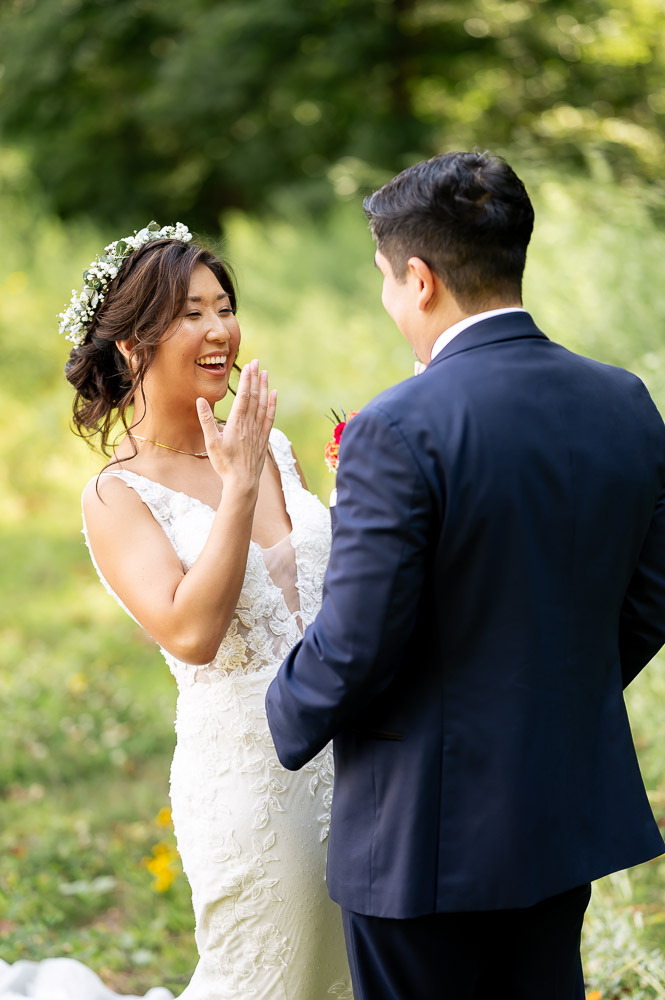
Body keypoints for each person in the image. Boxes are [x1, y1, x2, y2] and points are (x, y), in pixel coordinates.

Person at [265, 152, 665, 1000]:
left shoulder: (397, 425)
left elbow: (357, 642)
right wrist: (548, 695)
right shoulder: (622, 400)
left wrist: (279, 709)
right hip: (558, 813)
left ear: (418, 279)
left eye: (382, 277)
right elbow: (651, 595)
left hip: (420, 835)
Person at [10, 223, 352, 1000]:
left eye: (224, 307)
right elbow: (194, 633)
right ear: (132, 345)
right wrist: (235, 490)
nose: (218, 329)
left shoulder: (273, 446)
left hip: (359, 766)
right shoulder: (118, 495)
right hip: (254, 788)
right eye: (191, 312)